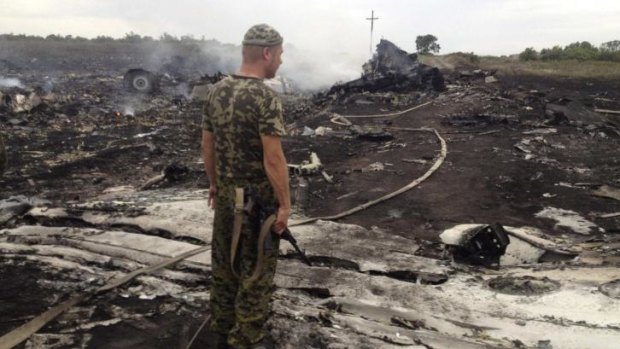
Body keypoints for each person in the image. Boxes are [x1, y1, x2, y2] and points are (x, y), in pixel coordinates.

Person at [201, 24, 290, 349]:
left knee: (224, 270)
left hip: (225, 200)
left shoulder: (216, 91)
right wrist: (284, 205)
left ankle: (222, 334)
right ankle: (247, 339)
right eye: (280, 54)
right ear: (267, 53)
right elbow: (273, 159)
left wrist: (213, 184)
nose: (281, 61)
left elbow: (207, 144)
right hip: (257, 207)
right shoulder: (266, 98)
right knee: (255, 276)